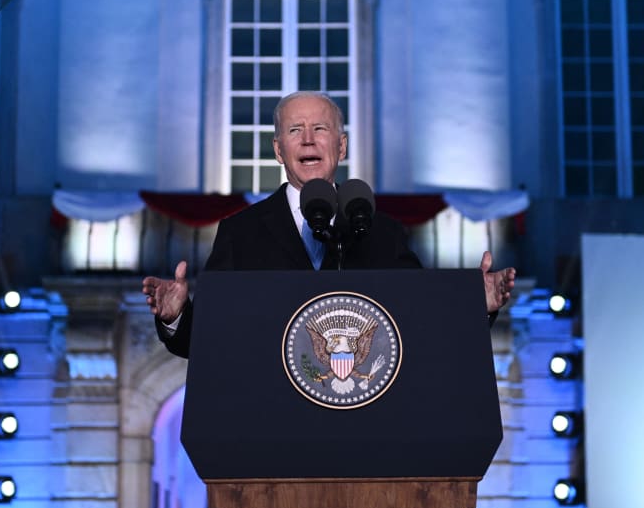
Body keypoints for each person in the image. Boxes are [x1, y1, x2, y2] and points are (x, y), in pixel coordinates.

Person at [144, 91, 516, 358]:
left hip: (363, 427)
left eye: (320, 128)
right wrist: (178, 315)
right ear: (278, 150)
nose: (308, 140)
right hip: (273, 425)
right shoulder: (240, 233)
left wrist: (476, 306)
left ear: (341, 146)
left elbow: (423, 326)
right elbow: (207, 340)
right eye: (295, 130)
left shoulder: (382, 232)